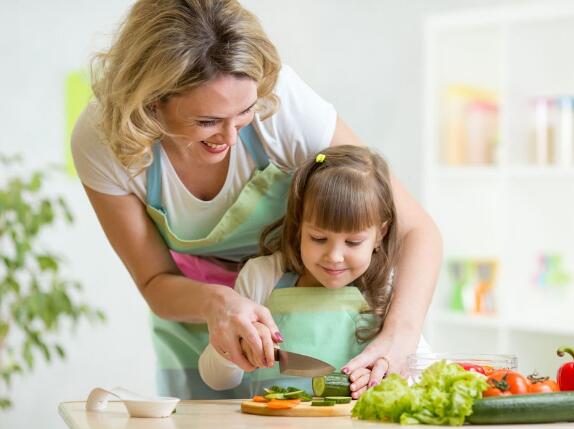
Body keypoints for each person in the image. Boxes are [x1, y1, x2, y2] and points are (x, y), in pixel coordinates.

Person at [71, 0, 442, 399]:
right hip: (196, 318)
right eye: (207, 121)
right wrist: (219, 304)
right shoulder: (104, 142)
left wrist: (401, 336)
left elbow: (417, 230)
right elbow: (154, 281)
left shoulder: (281, 105)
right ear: (151, 102)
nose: (230, 139)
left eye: (245, 112)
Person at [198, 146, 431, 398]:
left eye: (353, 243)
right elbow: (215, 379)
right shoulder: (262, 276)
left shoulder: (387, 286)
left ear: (380, 234)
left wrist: (386, 376)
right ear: (299, 226)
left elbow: (426, 370)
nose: (334, 256)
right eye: (318, 238)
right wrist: (237, 347)